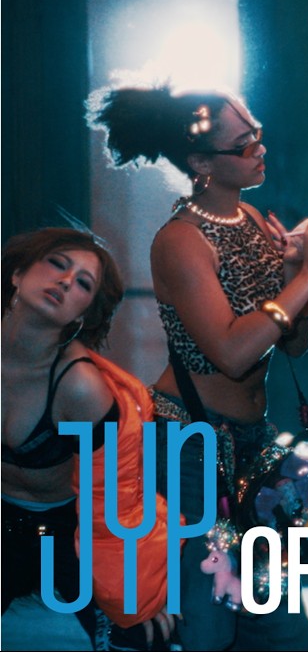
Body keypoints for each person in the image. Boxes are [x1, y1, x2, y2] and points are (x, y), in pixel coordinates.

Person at [88, 85, 308, 650]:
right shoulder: (181, 240)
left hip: (249, 442)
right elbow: (231, 353)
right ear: (201, 164)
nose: (260, 149)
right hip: (187, 445)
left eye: (258, 135)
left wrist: (297, 275)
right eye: (244, 144)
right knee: (207, 622)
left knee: (279, 625)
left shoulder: (249, 218)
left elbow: (293, 345)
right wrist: (305, 280)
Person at [2, 227, 173, 650]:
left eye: (83, 283)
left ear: (83, 313)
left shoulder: (79, 387)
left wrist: (139, 593)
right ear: (17, 274)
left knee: (137, 634)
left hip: (64, 531)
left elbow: (116, 500)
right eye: (57, 264)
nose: (65, 281)